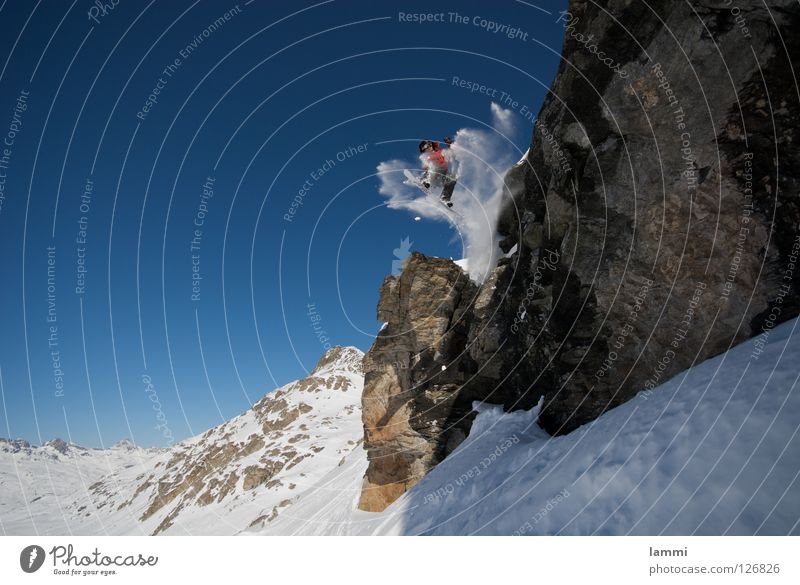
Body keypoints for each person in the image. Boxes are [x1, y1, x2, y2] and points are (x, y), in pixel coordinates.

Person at [418, 137, 456, 207]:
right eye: (426, 147)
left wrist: (449, 143)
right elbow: (426, 167)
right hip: (432, 176)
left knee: (452, 178)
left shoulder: (441, 151)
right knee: (434, 167)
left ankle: (445, 198)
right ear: (423, 150)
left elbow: (452, 152)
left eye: (429, 145)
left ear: (431, 145)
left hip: (441, 177)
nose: (428, 148)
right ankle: (425, 181)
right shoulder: (426, 156)